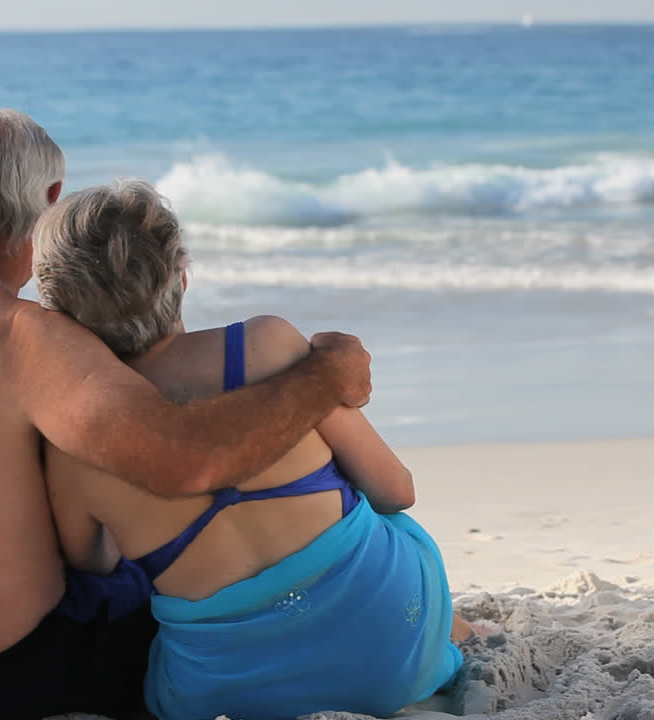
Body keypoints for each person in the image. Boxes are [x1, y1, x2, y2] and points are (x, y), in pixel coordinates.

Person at [0, 110, 372, 720]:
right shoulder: (24, 334)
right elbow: (187, 462)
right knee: (162, 569)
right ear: (53, 197)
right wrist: (323, 377)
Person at [33, 179, 469, 720]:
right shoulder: (265, 344)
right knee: (389, 526)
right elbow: (395, 491)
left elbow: (94, 561)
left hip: (223, 691)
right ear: (181, 276)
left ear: (58, 313)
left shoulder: (73, 442)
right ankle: (448, 633)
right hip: (391, 660)